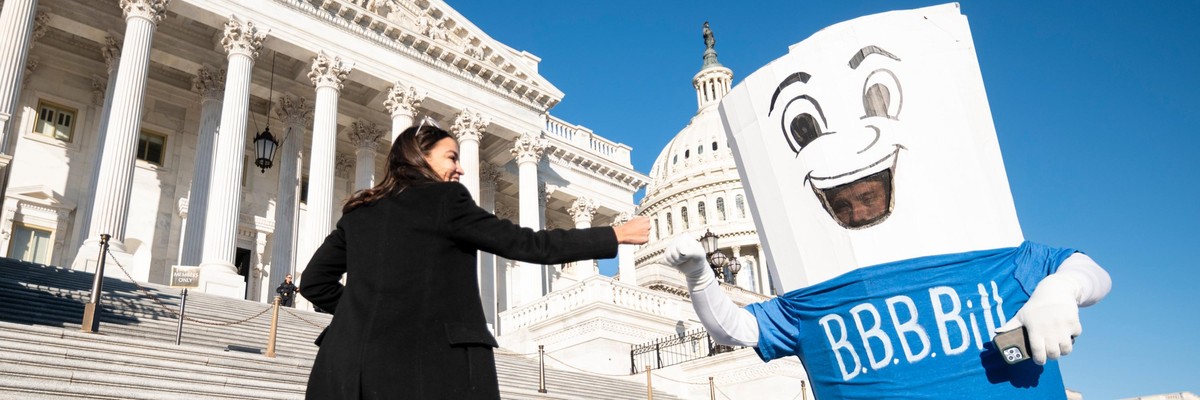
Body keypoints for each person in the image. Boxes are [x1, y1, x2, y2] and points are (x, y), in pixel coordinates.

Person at [300, 124, 650, 399]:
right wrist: (615, 234)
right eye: (452, 157)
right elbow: (526, 244)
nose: (461, 168)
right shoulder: (445, 199)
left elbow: (314, 282)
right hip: (429, 369)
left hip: (344, 371)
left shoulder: (360, 213)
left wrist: (365, 315)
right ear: (421, 158)